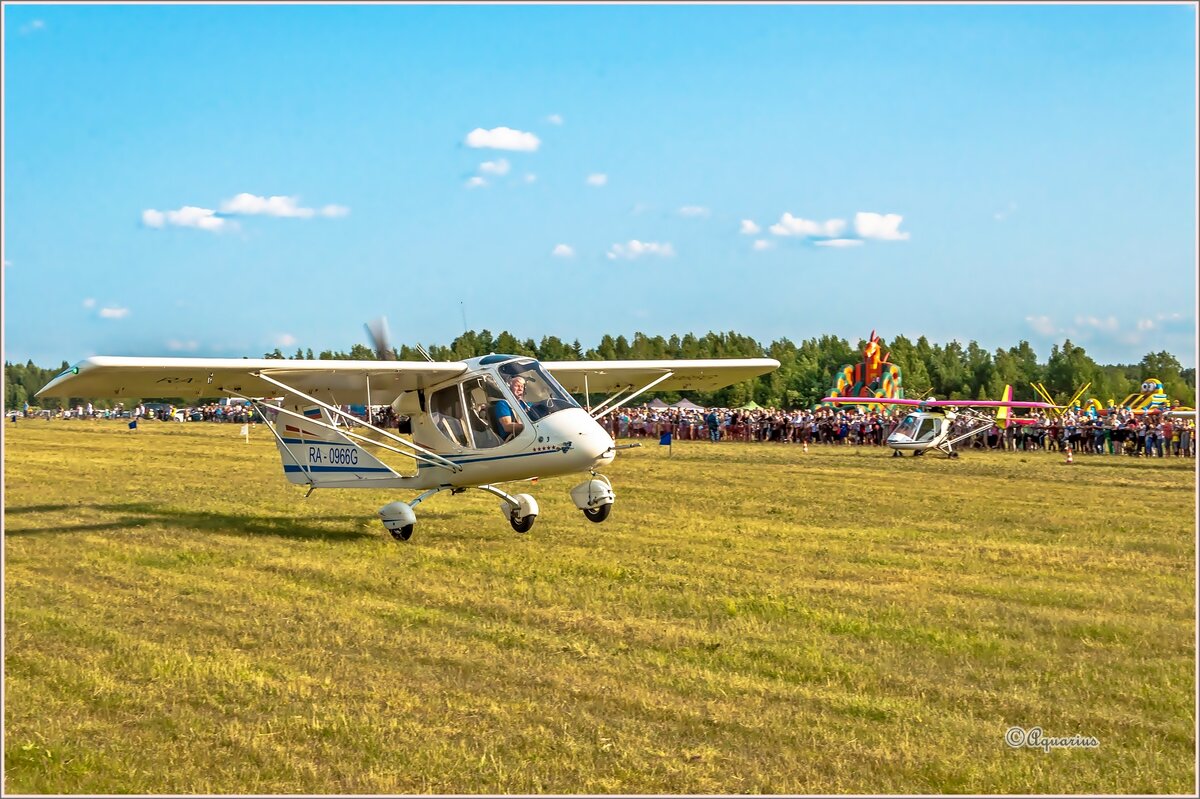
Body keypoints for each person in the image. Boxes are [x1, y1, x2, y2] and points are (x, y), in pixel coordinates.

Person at [493, 375, 532, 440]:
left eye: (522, 387)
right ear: (509, 388)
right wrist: (530, 426)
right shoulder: (503, 404)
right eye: (517, 386)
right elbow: (507, 427)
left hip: (527, 436)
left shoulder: (526, 405)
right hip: (513, 439)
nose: (520, 389)